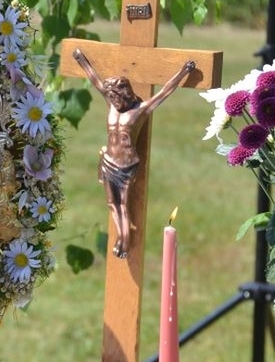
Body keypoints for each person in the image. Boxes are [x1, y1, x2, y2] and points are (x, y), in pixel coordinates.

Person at [73, 48, 196, 258]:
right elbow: (95, 80)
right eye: (111, 97)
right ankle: (121, 235)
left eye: (116, 97)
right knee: (111, 203)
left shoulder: (140, 110)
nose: (114, 101)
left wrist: (184, 71)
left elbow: (164, 92)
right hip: (109, 161)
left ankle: (125, 239)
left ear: (125, 93)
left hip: (126, 164)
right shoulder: (112, 105)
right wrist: (81, 59)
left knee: (123, 203)